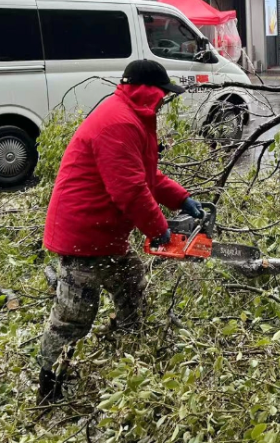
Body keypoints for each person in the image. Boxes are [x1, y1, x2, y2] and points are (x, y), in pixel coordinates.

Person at [37, 59, 203, 405]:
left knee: (131, 285)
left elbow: (147, 177)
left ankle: (127, 348)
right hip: (83, 235)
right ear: (147, 92)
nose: (164, 101)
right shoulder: (119, 122)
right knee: (74, 317)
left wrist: (181, 198)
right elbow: (129, 190)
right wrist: (158, 229)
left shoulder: (132, 118)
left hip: (107, 234)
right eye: (161, 94)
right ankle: (49, 382)